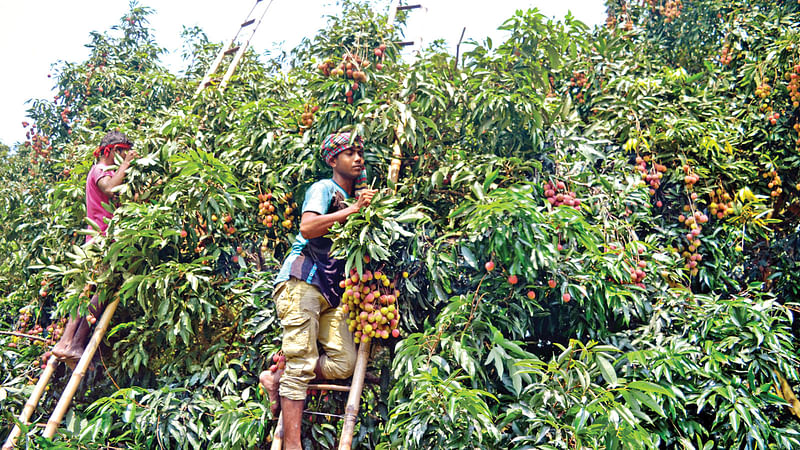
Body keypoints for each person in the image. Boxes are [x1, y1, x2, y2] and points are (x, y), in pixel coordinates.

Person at [260, 132, 377, 449]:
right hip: (303, 280)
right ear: (332, 160)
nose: (357, 159)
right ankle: (293, 445)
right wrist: (352, 211)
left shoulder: (354, 198)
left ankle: (278, 375)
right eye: (349, 153)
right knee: (302, 365)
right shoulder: (324, 189)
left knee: (344, 363)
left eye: (359, 153)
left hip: (330, 291)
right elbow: (308, 228)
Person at [51, 131, 138, 364]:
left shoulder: (110, 173)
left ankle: (67, 343)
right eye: (121, 153)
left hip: (102, 240)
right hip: (101, 241)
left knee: (89, 292)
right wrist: (127, 165)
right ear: (110, 151)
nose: (124, 157)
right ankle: (74, 343)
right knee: (98, 292)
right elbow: (109, 188)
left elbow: (121, 197)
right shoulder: (100, 171)